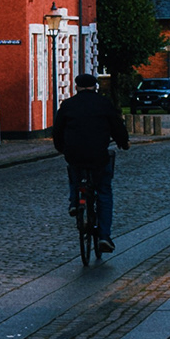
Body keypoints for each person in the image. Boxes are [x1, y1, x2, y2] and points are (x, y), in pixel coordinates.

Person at [48, 70, 128, 252]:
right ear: (95, 87)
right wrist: (124, 143)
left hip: (74, 154)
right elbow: (117, 126)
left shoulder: (67, 105)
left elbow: (57, 130)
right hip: (98, 155)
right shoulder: (104, 104)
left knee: (74, 173)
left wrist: (61, 147)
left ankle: (75, 202)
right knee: (104, 191)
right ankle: (104, 236)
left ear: (76, 87)